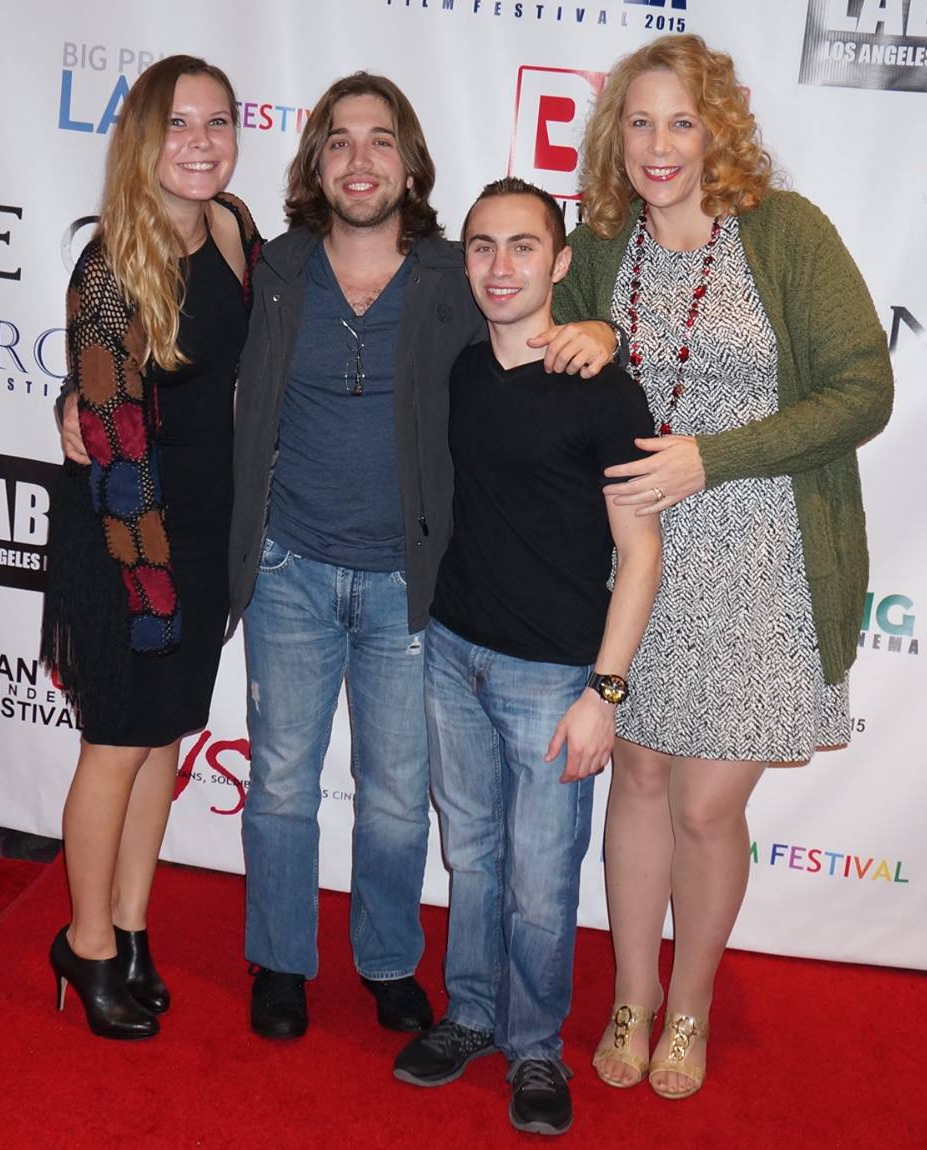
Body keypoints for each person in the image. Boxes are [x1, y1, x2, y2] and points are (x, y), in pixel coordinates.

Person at [224, 73, 621, 1040]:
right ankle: (280, 959)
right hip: (290, 570)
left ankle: (388, 958)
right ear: (316, 159)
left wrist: (603, 328)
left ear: (410, 163)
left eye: (382, 140)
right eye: (341, 141)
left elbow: (557, 291)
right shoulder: (274, 269)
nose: (361, 160)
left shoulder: (455, 272)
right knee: (280, 776)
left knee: (399, 794)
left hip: (413, 584)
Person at [551, 34, 894, 1098]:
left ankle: (688, 1009)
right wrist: (586, 337)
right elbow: (546, 348)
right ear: (617, 135)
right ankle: (631, 996)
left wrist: (714, 456)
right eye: (640, 123)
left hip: (763, 558)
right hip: (632, 559)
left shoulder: (784, 233)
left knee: (705, 808)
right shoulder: (600, 240)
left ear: (718, 132)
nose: (659, 146)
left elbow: (861, 391)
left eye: (681, 123)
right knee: (639, 779)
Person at [391, 178, 660, 1137]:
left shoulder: (602, 391)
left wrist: (605, 693)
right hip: (453, 655)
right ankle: (469, 1016)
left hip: (552, 677)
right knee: (472, 856)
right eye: (481, 247)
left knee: (543, 881)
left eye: (521, 247)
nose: (500, 267)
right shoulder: (461, 372)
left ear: (558, 261)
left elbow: (641, 553)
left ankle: (536, 1048)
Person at [44, 55, 259, 1040]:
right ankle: (83, 943)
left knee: (161, 743)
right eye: (179, 124)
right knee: (115, 744)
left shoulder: (233, 230)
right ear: (141, 139)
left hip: (204, 527)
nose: (201, 141)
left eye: (217, 122)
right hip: (127, 531)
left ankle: (131, 929)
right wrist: (151, 585)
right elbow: (109, 433)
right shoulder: (108, 268)